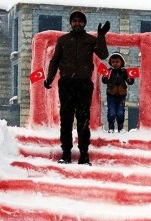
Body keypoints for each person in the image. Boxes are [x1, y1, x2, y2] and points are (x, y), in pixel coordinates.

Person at [43, 11, 110, 165]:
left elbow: (104, 54)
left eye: (80, 21)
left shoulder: (90, 40)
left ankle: (84, 155)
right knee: (66, 120)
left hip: (84, 85)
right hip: (66, 84)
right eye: (75, 21)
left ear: (84, 23)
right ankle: (66, 153)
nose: (77, 23)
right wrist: (50, 78)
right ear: (71, 23)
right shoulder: (63, 40)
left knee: (83, 120)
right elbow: (55, 60)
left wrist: (101, 36)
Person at [102, 52, 135, 133]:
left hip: (121, 96)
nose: (115, 64)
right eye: (113, 62)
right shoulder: (109, 71)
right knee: (111, 112)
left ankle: (120, 128)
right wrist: (105, 76)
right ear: (110, 63)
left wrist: (131, 78)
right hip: (111, 95)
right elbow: (104, 81)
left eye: (117, 62)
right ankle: (111, 128)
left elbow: (130, 82)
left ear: (121, 62)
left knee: (120, 112)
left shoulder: (125, 72)